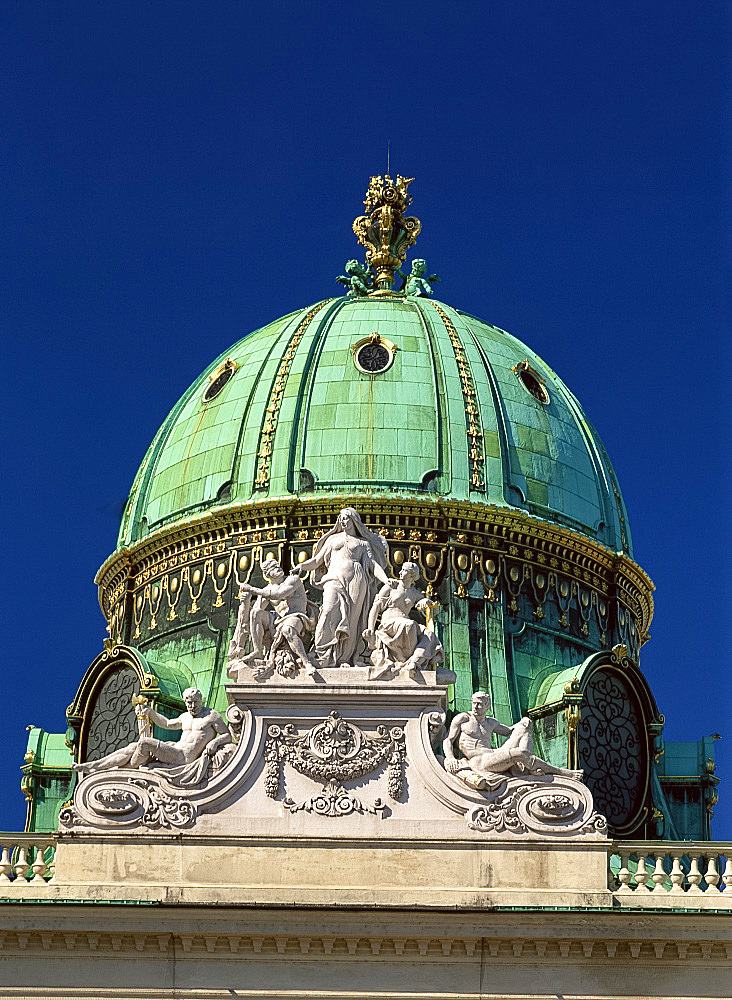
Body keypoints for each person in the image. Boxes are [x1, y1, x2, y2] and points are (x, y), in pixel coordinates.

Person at [296, 508, 393, 668]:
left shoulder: (363, 543)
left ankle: (345, 659)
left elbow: (372, 565)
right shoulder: (333, 539)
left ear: (354, 520)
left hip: (356, 580)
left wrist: (386, 579)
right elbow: (317, 560)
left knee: (352, 620)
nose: (343, 521)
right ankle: (322, 653)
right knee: (328, 611)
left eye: (346, 518)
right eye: (340, 518)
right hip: (334, 579)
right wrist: (302, 566)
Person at [73, 688, 230, 775]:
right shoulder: (185, 716)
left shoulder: (212, 716)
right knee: (133, 747)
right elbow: (167, 723)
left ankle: (124, 770)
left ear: (200, 701)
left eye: (195, 703)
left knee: (145, 743)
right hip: (174, 749)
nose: (192, 707)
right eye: (188, 703)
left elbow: (227, 735)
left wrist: (215, 742)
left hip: (183, 757)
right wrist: (150, 712)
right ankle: (94, 765)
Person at [443, 691, 582, 785]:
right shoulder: (463, 719)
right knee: (520, 753)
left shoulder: (491, 722)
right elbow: (448, 740)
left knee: (524, 728)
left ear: (487, 706)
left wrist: (525, 720)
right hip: (479, 761)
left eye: (479, 703)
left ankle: (523, 768)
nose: (475, 706)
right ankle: (564, 772)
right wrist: (450, 758)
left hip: (493, 755)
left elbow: (511, 730)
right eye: (474, 703)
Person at [235, 558, 316, 677]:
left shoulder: (293, 579)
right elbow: (254, 614)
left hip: (297, 616)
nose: (278, 568)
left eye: (277, 565)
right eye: (273, 567)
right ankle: (257, 651)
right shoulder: (266, 590)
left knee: (287, 630)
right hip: (278, 619)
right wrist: (246, 602)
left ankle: (306, 662)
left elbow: (279, 594)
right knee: (256, 613)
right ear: (268, 574)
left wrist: (251, 589)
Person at [363, 562, 444, 679]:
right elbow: (375, 607)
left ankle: (414, 662)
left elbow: (434, 608)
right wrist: (370, 628)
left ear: (412, 575)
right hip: (389, 624)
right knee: (410, 625)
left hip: (404, 623)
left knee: (429, 635)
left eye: (404, 570)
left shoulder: (413, 592)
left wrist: (426, 601)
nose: (400, 572)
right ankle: (405, 661)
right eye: (401, 569)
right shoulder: (391, 586)